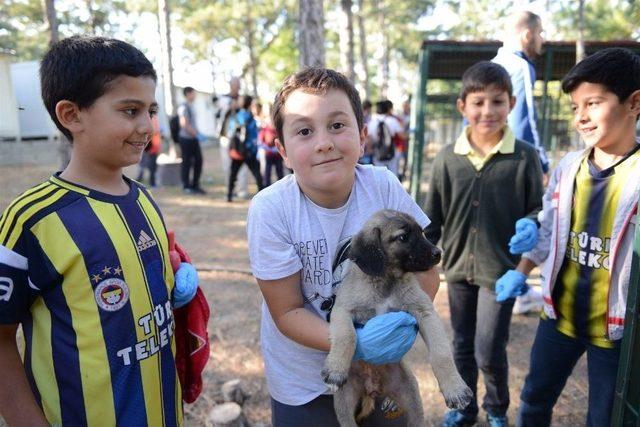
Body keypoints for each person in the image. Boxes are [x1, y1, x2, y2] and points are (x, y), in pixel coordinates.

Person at [0, 36, 199, 426]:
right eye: (129, 110)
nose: (147, 126)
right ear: (72, 115)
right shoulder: (33, 220)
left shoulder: (143, 200)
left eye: (151, 110)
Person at [246, 68, 441, 426]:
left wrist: (401, 323)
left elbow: (427, 269)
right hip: (305, 384)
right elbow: (287, 312)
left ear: (363, 136)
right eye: (304, 131)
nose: (324, 142)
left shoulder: (382, 186)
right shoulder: (271, 208)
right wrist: (357, 344)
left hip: (383, 373)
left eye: (337, 126)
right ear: (283, 151)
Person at [496, 48, 640, 427]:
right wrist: (522, 267)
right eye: (576, 107)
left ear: (634, 103)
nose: (582, 117)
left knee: (604, 417)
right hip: (558, 317)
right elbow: (548, 232)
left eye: (593, 103)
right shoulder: (568, 168)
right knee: (533, 400)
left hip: (615, 329)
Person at [423, 61, 544, 427]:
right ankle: (463, 407)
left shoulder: (524, 156)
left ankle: (495, 409)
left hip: (501, 272)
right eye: (478, 102)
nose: (487, 111)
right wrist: (422, 264)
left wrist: (534, 223)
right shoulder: (447, 158)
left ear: (512, 102)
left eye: (497, 102)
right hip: (458, 270)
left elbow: (538, 209)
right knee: (461, 345)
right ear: (463, 106)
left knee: (489, 349)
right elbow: (433, 219)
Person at [492, 10, 549, 315]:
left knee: (502, 226)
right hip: (514, 161)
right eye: (540, 33)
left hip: (487, 161)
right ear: (528, 34)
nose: (541, 40)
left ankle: (517, 287)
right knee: (525, 224)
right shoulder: (520, 66)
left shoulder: (493, 64)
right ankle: (522, 289)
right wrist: (541, 162)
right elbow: (526, 121)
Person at [226, 95, 264, 202]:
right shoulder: (250, 118)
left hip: (237, 150)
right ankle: (263, 194)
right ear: (249, 104)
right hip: (249, 151)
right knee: (257, 174)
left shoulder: (236, 117)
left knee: (233, 174)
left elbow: (230, 132)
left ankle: (229, 195)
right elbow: (254, 136)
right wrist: (252, 149)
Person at [217, 77, 249, 198]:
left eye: (239, 84)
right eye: (235, 84)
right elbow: (226, 108)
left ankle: (242, 190)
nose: (238, 87)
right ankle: (231, 189)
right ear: (231, 85)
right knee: (227, 165)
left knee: (242, 164)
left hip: (240, 138)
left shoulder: (243, 99)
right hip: (226, 136)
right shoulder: (224, 99)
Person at [178, 86, 206, 194]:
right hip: (186, 139)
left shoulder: (191, 106)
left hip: (193, 138)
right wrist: (197, 134)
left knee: (198, 161)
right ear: (188, 93)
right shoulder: (183, 107)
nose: (195, 95)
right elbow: (184, 124)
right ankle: (186, 186)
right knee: (187, 162)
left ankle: (195, 185)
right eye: (193, 93)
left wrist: (198, 134)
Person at [367, 100, 405, 175]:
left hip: (378, 154)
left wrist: (370, 150)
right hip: (391, 153)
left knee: (378, 175)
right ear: (387, 110)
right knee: (393, 175)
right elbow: (402, 135)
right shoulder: (392, 121)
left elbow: (369, 139)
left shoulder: (372, 122)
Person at [258, 104, 284, 186]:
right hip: (268, 154)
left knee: (279, 172)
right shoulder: (264, 126)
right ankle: (266, 187)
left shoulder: (277, 125)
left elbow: (281, 137)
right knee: (267, 173)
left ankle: (282, 188)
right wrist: (266, 147)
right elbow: (261, 140)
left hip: (277, 154)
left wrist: (277, 148)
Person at [136, 114, 162, 187]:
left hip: (153, 146)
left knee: (147, 165)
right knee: (147, 164)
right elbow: (153, 131)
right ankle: (149, 182)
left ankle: (147, 181)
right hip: (150, 146)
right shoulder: (149, 118)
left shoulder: (153, 117)